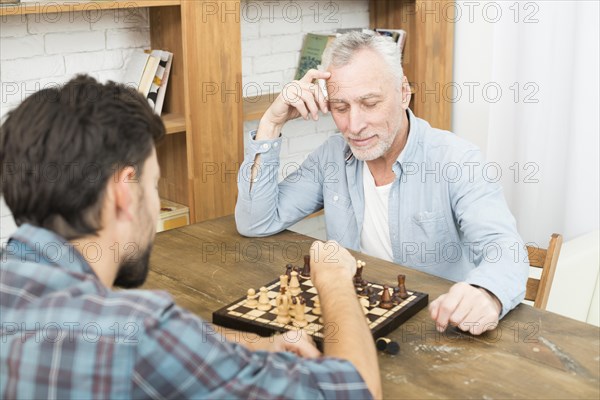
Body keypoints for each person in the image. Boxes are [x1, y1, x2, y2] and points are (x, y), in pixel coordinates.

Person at [0, 76, 380, 399]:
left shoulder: (20, 286)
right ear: (124, 193)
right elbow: (353, 390)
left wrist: (250, 342)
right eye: (153, 185)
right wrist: (333, 282)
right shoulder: (138, 335)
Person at [235, 32, 529, 336]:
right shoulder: (332, 157)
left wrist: (487, 293)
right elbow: (255, 221)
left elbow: (506, 250)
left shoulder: (457, 160)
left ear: (403, 93)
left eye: (370, 103)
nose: (354, 126)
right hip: (356, 325)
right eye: (340, 107)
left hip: (434, 331)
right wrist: (271, 123)